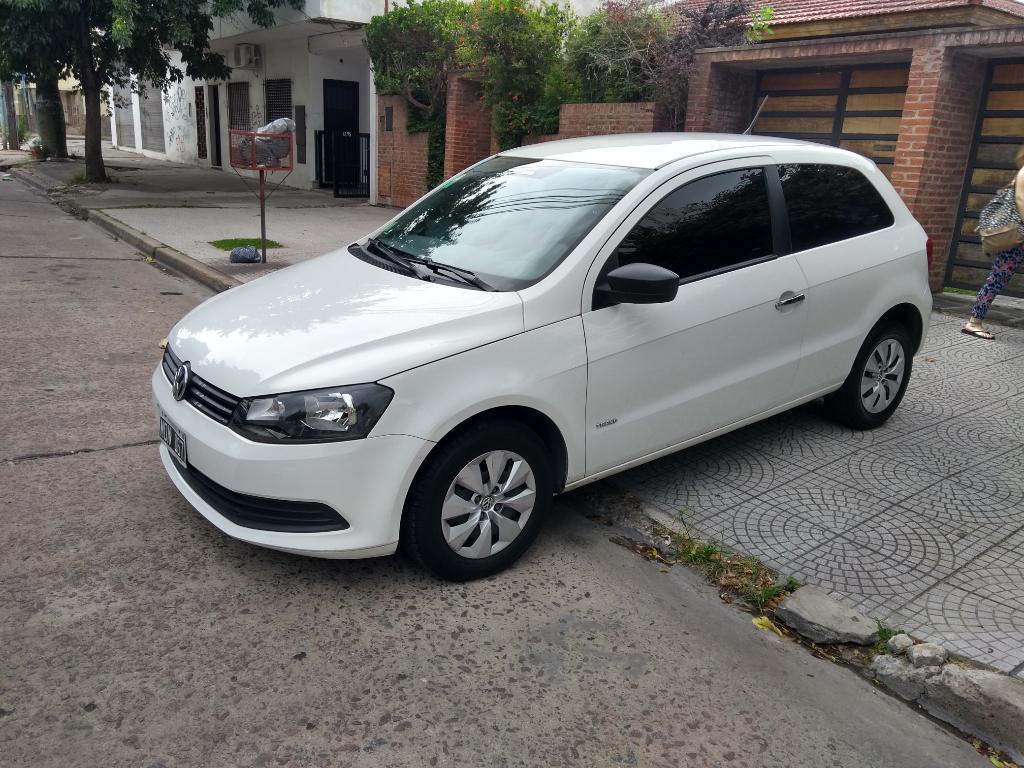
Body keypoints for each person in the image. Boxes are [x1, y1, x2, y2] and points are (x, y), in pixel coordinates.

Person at [963, 148, 1024, 339]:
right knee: (997, 279)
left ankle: (975, 321)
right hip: (1016, 238)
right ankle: (974, 322)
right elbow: (1022, 203)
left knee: (997, 278)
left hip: (1018, 236)